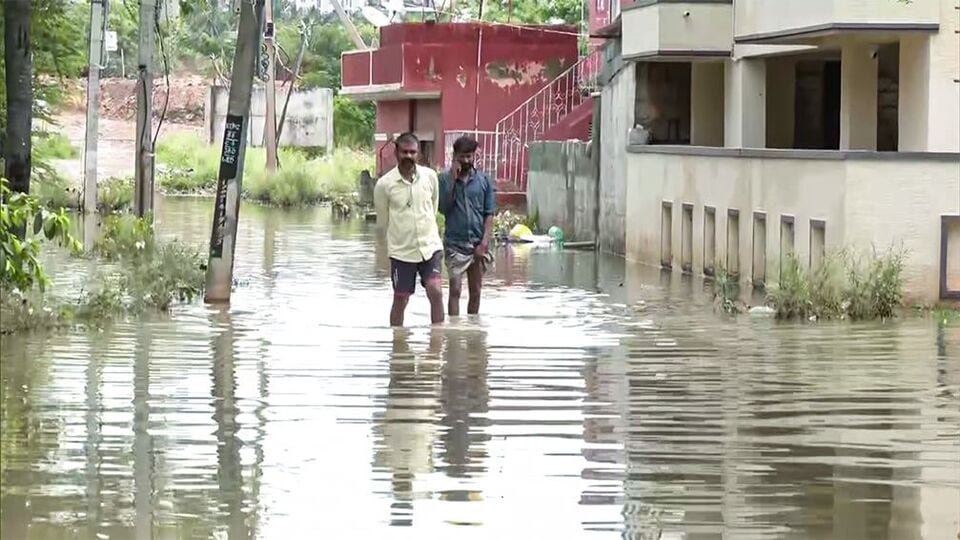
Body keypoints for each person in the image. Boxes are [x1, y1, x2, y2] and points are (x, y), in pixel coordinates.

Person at [373, 132, 445, 327]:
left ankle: (437, 343)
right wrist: (384, 253)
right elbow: (383, 223)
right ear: (396, 152)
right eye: (404, 152)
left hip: (430, 246)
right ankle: (398, 345)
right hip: (402, 252)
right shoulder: (384, 185)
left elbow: (433, 208)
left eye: (412, 152)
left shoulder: (430, 177)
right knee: (401, 299)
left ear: (418, 154)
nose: (408, 156)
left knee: (435, 291)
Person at [438, 136, 496, 317]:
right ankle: (454, 332)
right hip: (455, 244)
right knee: (455, 290)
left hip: (478, 244)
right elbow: (444, 208)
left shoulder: (484, 181)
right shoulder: (443, 180)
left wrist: (484, 243)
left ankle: (472, 332)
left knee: (476, 291)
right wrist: (453, 182)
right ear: (454, 156)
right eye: (462, 156)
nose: (466, 161)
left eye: (469, 157)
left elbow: (489, 213)